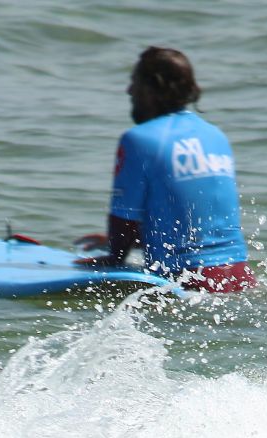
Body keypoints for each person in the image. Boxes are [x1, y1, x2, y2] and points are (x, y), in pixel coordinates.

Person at [75, 47, 256, 293]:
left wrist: (115, 254)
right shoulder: (215, 136)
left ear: (152, 89)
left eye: (134, 83)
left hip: (188, 283)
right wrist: (135, 241)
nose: (129, 91)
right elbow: (198, 232)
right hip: (241, 279)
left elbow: (124, 218)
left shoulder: (138, 139)